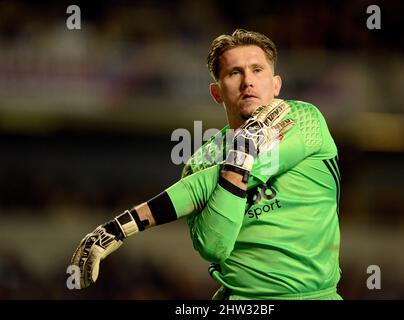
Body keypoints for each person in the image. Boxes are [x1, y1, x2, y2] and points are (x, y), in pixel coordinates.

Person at [70, 29, 342, 300]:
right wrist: (241, 155)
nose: (248, 81)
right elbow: (214, 247)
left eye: (258, 70)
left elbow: (252, 166)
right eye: (234, 72)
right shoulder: (201, 160)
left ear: (276, 85)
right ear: (217, 92)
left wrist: (120, 227)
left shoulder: (305, 120)